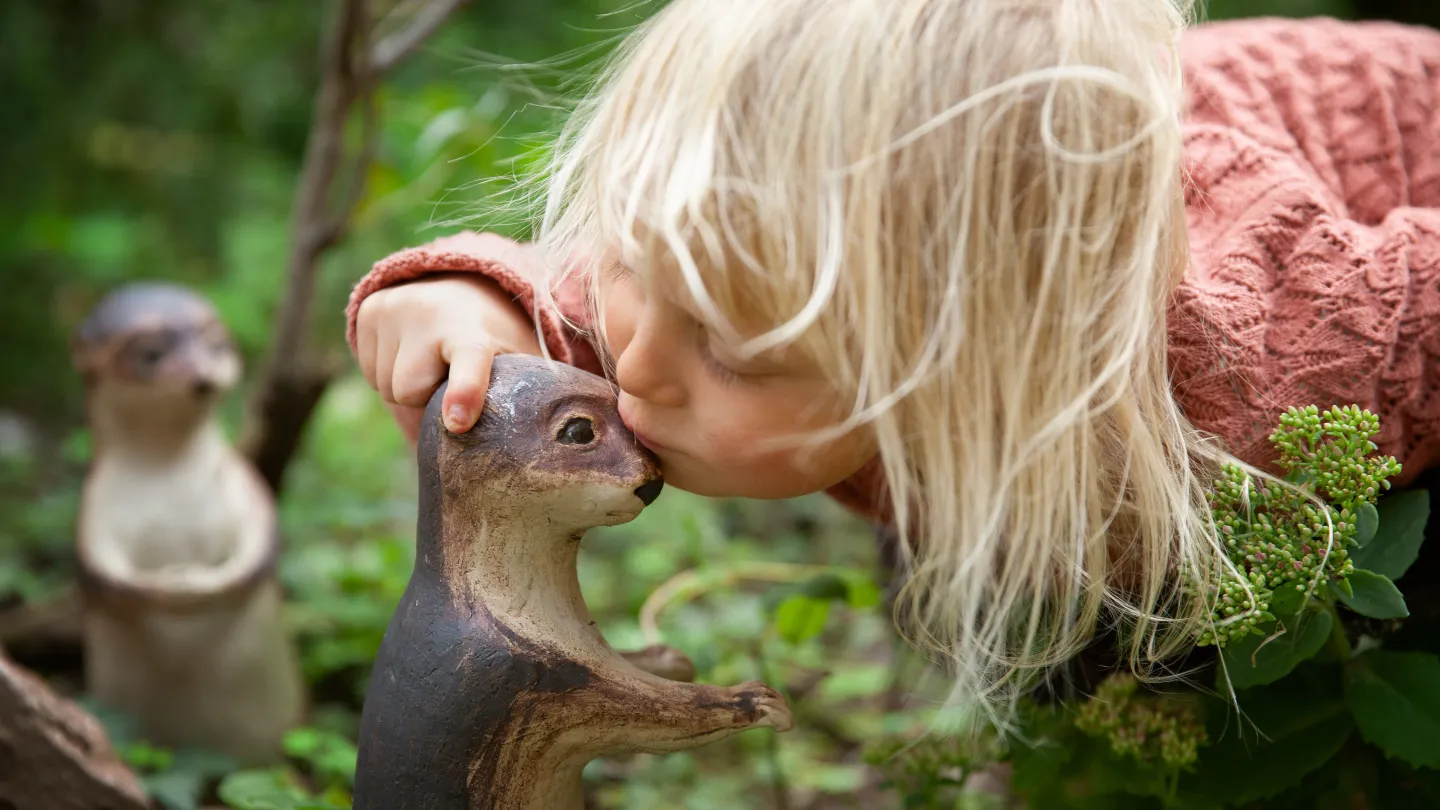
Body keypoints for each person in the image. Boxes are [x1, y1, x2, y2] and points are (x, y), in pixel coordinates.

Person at [345, 0, 1440, 723]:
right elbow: (572, 296)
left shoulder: (1265, 352)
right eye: (635, 261)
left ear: (995, 356)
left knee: (1226, 610)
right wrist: (472, 298)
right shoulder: (723, 272)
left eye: (737, 350)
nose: (640, 367)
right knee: (986, 592)